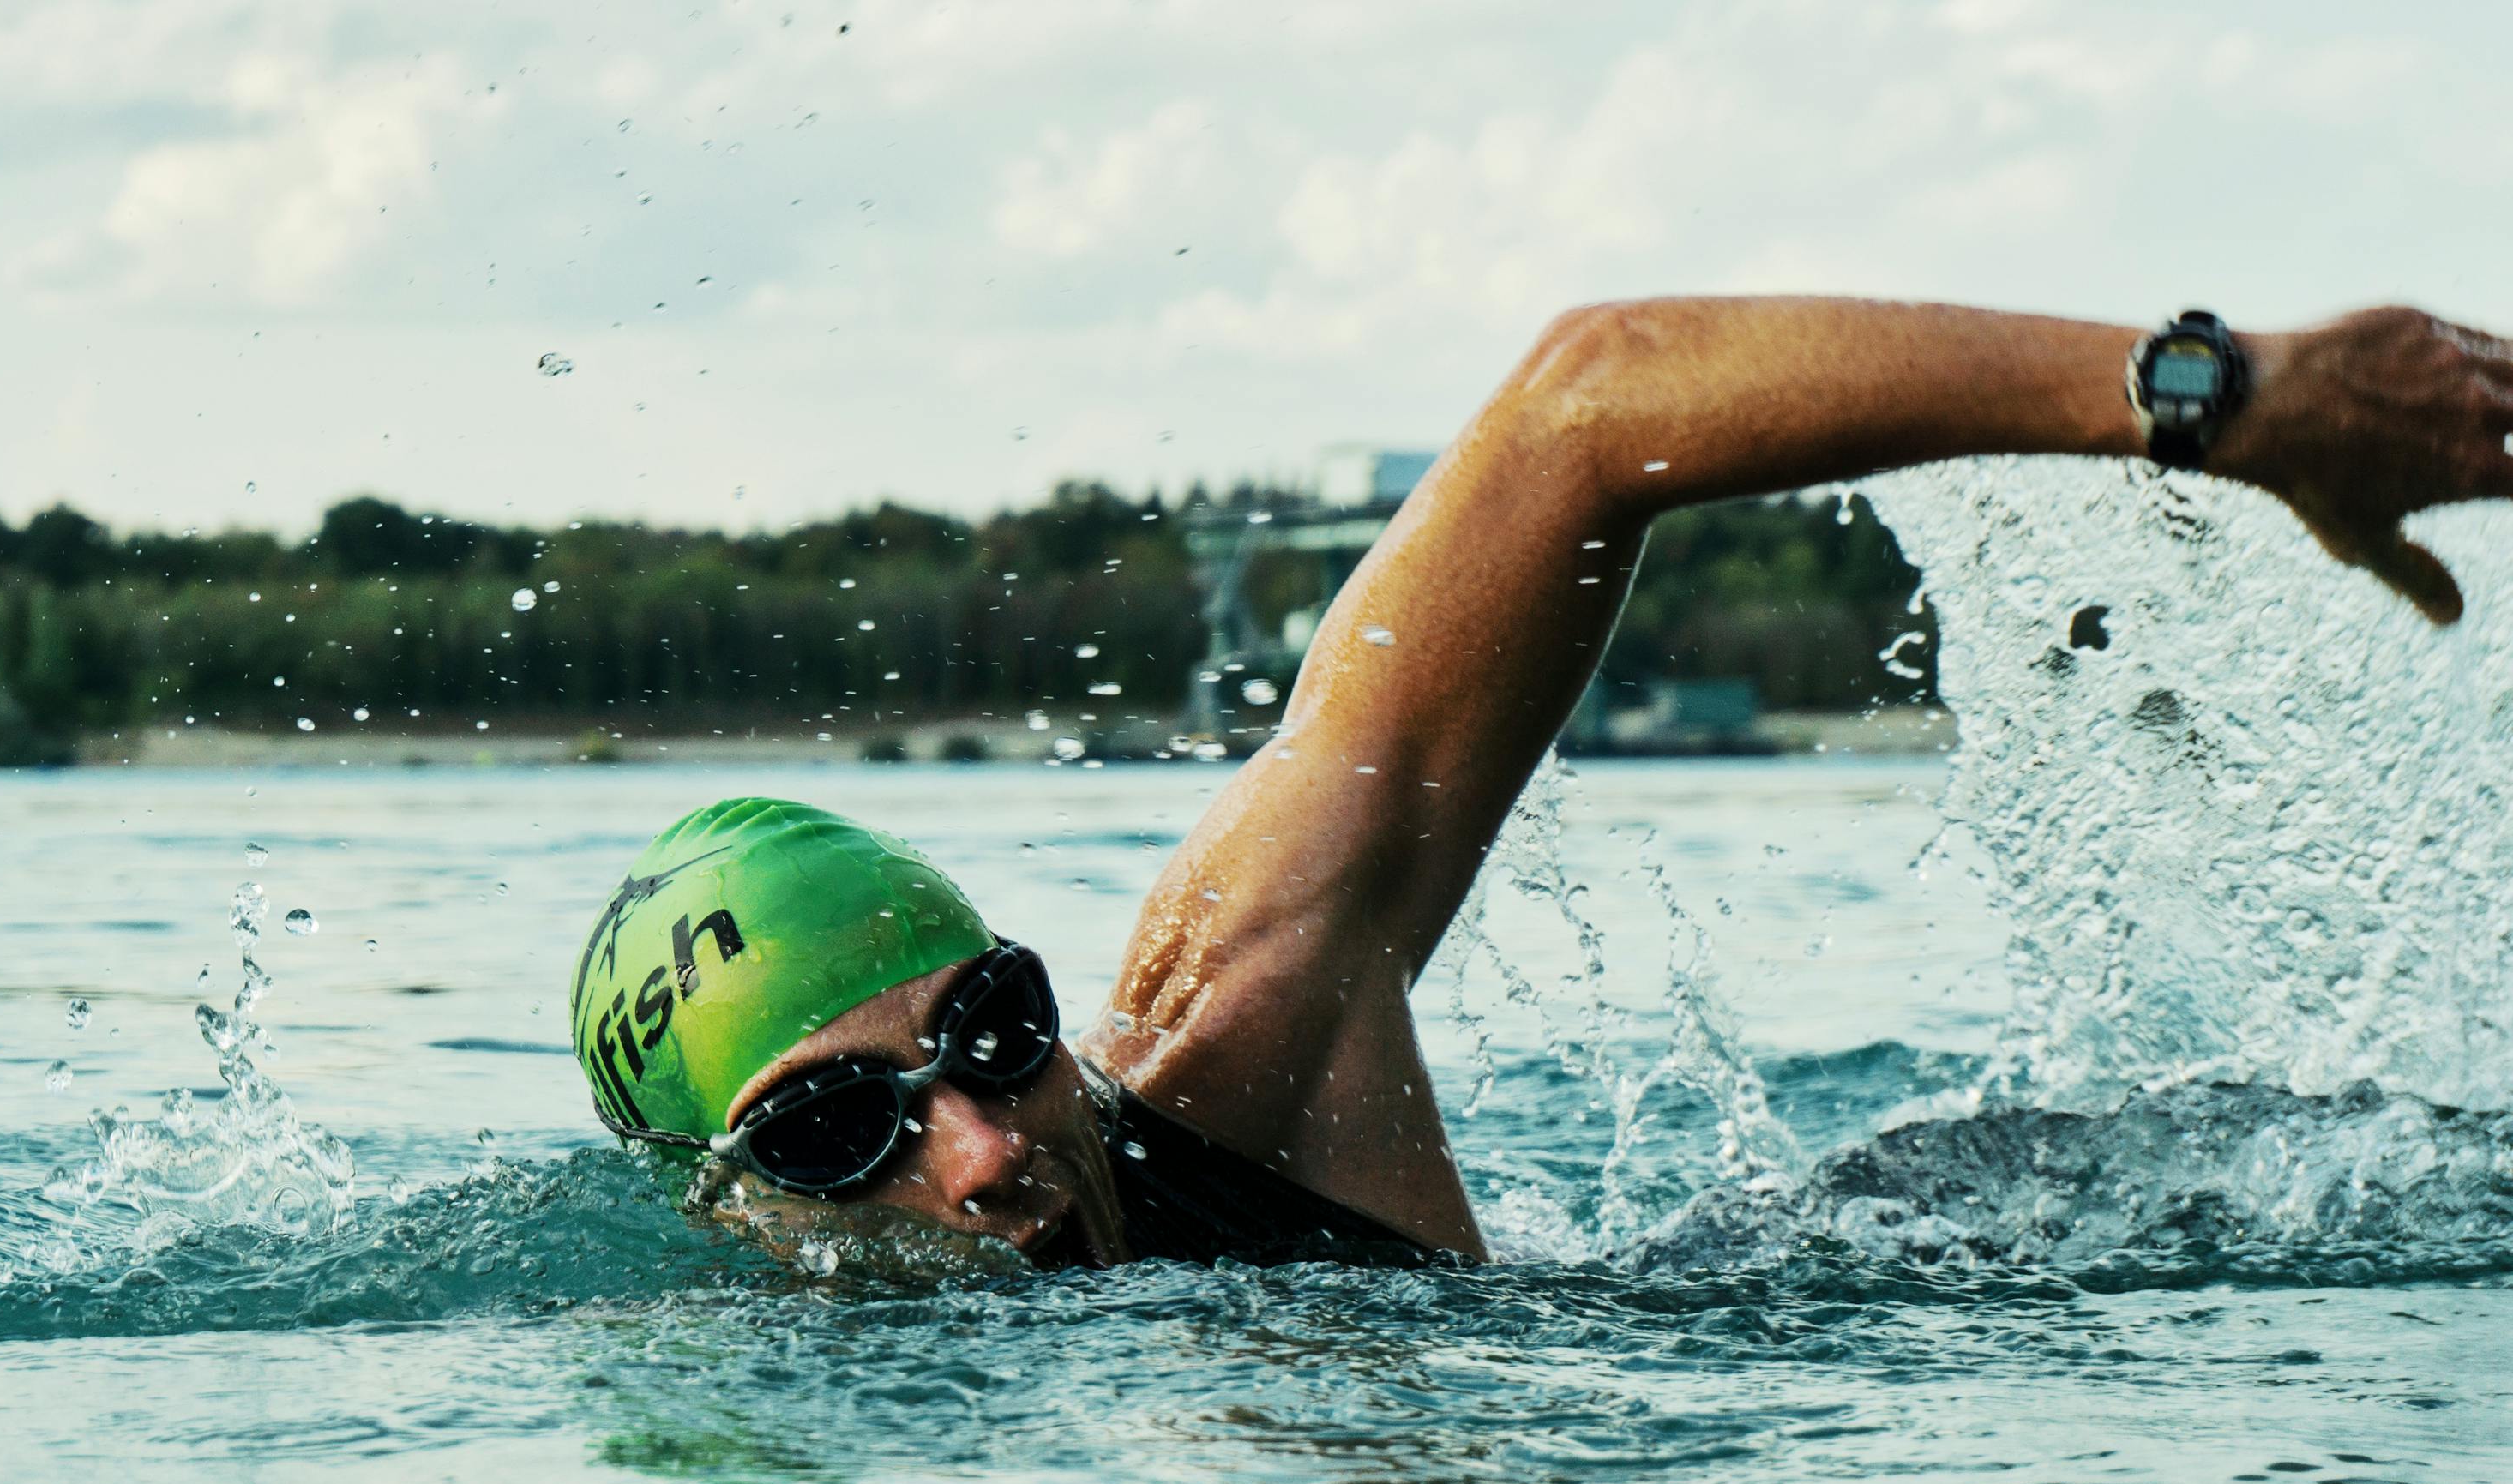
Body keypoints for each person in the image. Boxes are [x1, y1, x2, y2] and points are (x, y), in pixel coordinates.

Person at [572, 297, 2513, 1272]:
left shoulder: (1238, 1038)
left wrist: (2212, 398)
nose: (983, 1150)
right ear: (724, 1210)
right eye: (837, 1132)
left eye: (991, 1034)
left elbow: (1582, 405)